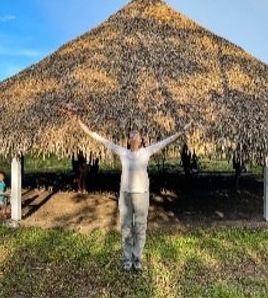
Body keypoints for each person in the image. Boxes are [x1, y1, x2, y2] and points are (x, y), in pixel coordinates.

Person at [62, 107, 192, 273]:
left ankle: (137, 260)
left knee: (140, 228)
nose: (134, 135)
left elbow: (168, 140)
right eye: (131, 134)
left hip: (141, 196)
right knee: (126, 229)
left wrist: (184, 130)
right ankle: (127, 261)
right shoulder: (123, 153)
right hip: (125, 196)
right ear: (129, 140)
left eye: (136, 134)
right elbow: (98, 138)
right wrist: (79, 122)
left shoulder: (147, 152)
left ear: (142, 139)